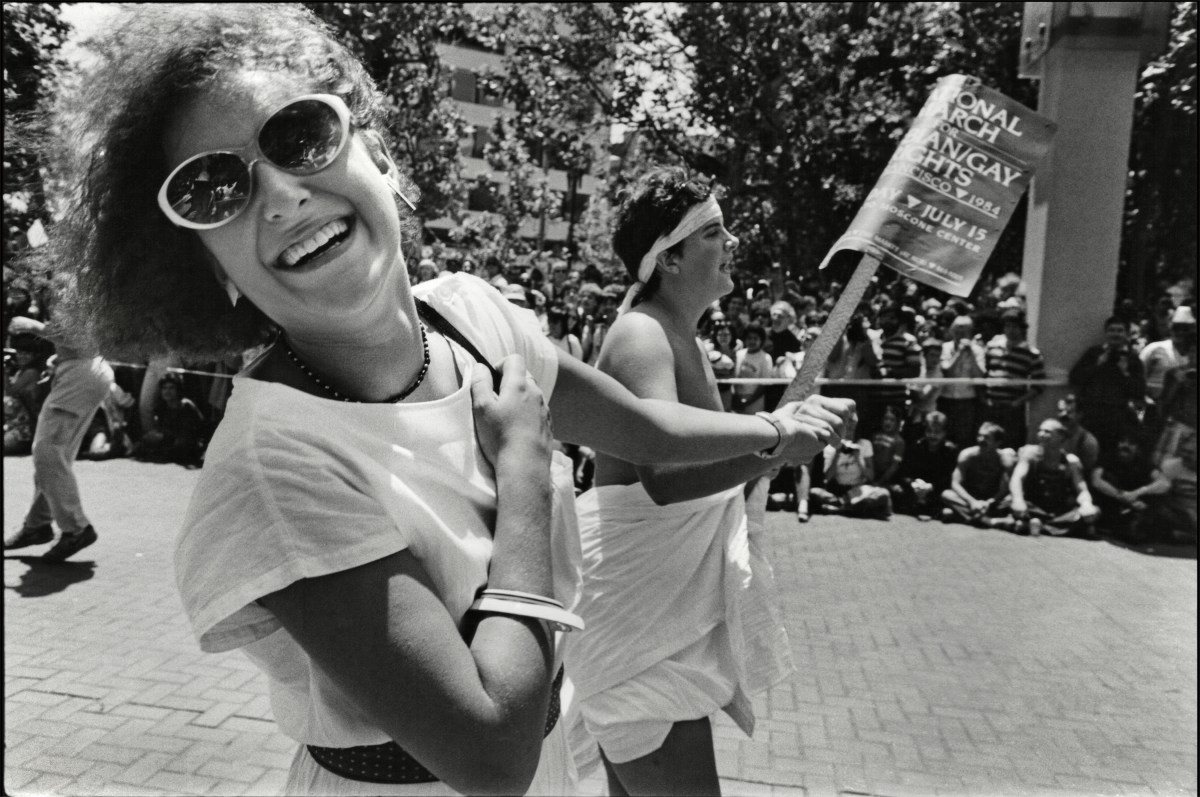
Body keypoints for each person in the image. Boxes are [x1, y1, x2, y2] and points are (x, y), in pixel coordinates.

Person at [45, 7, 848, 795]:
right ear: (206, 264)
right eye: (215, 188)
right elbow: (489, 751)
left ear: (377, 152)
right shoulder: (272, 465)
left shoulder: (472, 315)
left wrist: (777, 428)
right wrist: (526, 475)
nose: (282, 197)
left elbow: (648, 430)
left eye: (299, 135)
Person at [565, 166, 852, 796]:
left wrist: (782, 439)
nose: (733, 244)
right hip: (638, 618)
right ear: (668, 258)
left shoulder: (680, 337)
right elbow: (664, 475)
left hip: (649, 614)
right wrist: (777, 437)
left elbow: (704, 464)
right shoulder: (642, 333)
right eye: (715, 233)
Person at [3, 314, 114, 560]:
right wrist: (60, 358)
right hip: (81, 371)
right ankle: (37, 525)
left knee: (48, 455)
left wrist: (34, 326)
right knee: (52, 458)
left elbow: (80, 339)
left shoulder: (69, 284)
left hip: (80, 375)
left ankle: (76, 529)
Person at [1007, 419, 1100, 538]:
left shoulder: (1071, 462)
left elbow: (1082, 490)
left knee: (1094, 511)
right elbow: (1017, 478)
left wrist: (1086, 504)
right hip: (1032, 506)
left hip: (1057, 511)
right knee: (1008, 502)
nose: (1041, 435)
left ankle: (1031, 524)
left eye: (1047, 432)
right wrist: (1018, 500)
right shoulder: (1030, 453)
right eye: (1040, 431)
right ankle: (1049, 526)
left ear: (1061, 437)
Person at [1068, 316, 1146, 452]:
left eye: (1120, 331)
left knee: (1109, 452)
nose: (1115, 334)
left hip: (1117, 416)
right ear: (1106, 332)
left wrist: (1125, 373)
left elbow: (1139, 391)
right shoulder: (1094, 353)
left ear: (1127, 334)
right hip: (1090, 413)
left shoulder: (1133, 360)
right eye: (1112, 330)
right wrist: (1096, 365)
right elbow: (1074, 378)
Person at [982, 309, 1045, 448]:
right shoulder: (992, 347)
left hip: (1011, 410)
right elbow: (984, 372)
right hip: (990, 405)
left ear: (1022, 328)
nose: (1010, 330)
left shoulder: (1032, 354)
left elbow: (1038, 386)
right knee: (987, 443)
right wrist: (984, 397)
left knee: (1009, 445)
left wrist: (1017, 403)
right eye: (1007, 326)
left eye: (1014, 326)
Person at [810, 414, 892, 520]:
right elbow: (827, 478)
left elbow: (871, 476)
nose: (849, 431)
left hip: (858, 490)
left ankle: (840, 509)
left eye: (851, 428)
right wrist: (837, 454)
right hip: (838, 491)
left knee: (883, 494)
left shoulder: (864, 444)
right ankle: (847, 507)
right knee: (813, 493)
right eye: (846, 428)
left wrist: (858, 458)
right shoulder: (831, 447)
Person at [1090, 433, 1168, 544]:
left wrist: (1137, 493)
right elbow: (1096, 481)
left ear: (1138, 447)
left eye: (1131, 443)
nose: (1125, 445)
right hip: (1110, 501)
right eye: (1122, 441)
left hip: (1132, 504)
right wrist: (1121, 496)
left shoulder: (1144, 463)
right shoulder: (1108, 457)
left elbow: (1164, 483)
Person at [941, 422, 1016, 528]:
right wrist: (972, 502)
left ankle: (963, 516)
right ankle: (987, 520)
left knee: (1011, 499)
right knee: (946, 494)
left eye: (986, 437)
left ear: (997, 442)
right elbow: (955, 484)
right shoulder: (967, 455)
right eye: (979, 435)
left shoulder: (1004, 460)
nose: (981, 439)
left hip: (992, 501)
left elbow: (1004, 489)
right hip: (969, 498)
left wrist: (991, 501)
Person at [892, 410, 958, 519]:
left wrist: (931, 487)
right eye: (929, 431)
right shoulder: (917, 446)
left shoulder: (950, 450)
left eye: (937, 432)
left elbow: (949, 478)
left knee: (947, 495)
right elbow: (905, 472)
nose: (932, 435)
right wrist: (913, 483)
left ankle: (930, 508)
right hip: (917, 487)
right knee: (897, 490)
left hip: (936, 489)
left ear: (944, 433)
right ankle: (924, 507)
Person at [134, 372, 208, 465]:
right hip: (171, 440)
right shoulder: (162, 407)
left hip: (188, 442)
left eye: (171, 388)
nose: (167, 391)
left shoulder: (186, 405)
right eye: (164, 388)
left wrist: (164, 436)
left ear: (178, 389)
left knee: (180, 445)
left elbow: (189, 433)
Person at [1140, 305, 1196, 401]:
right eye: (1176, 328)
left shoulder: (1193, 354)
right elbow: (1139, 375)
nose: (1180, 332)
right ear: (1170, 328)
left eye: (1185, 329)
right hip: (1153, 405)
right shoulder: (1154, 348)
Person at [732, 324, 772, 415]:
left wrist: (748, 401)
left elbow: (764, 384)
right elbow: (734, 378)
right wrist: (737, 397)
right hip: (737, 399)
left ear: (761, 340)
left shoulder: (766, 357)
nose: (752, 341)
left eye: (755, 338)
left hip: (755, 401)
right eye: (749, 338)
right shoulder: (739, 354)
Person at [1056, 395, 1101, 478]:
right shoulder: (1053, 434)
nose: (1063, 415)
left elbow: (1086, 473)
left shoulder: (1087, 441)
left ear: (1079, 415)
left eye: (1069, 412)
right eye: (1060, 411)